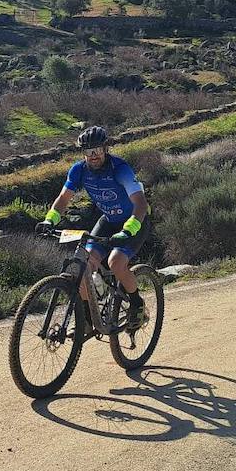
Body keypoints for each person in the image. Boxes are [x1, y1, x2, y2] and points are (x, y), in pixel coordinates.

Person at [38, 125, 151, 328]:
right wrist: (50, 220)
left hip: (134, 222)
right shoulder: (79, 170)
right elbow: (63, 199)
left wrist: (129, 229)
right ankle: (89, 319)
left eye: (97, 150)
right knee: (83, 265)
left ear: (105, 149)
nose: (93, 156)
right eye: (88, 152)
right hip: (108, 220)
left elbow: (140, 203)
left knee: (116, 262)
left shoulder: (120, 168)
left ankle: (136, 304)